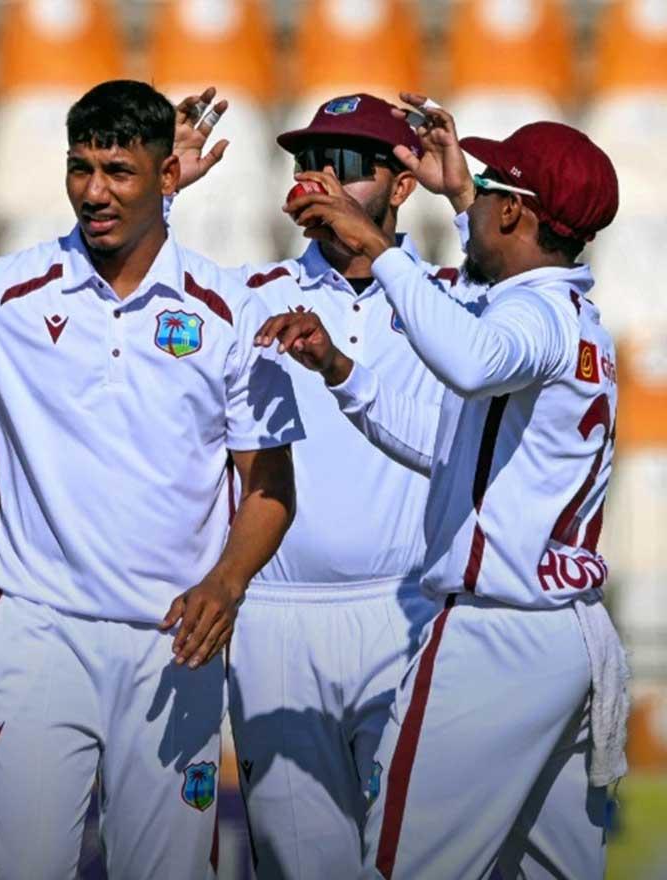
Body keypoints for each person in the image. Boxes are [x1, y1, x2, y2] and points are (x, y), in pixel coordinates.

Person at [0, 79, 302, 879]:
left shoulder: (227, 308)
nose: (95, 192)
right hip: (40, 631)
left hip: (177, 643)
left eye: (120, 172)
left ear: (169, 178)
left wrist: (228, 585)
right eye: (80, 168)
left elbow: (270, 488)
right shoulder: (3, 292)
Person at [261, 94, 627, 879]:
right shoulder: (573, 316)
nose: (475, 194)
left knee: (405, 867)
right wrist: (338, 370)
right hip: (564, 635)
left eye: (492, 188)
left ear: (517, 216)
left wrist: (376, 246)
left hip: (494, 639)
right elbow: (441, 442)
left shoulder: (532, 320)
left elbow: (469, 357)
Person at [172, 91, 484, 879]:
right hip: (278, 622)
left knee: (416, 862)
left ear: (401, 183)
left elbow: (527, 288)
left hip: (409, 612)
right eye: (306, 160)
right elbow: (149, 300)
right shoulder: (255, 293)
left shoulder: (447, 298)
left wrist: (469, 198)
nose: (319, 177)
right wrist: (162, 191)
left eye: (344, 163)